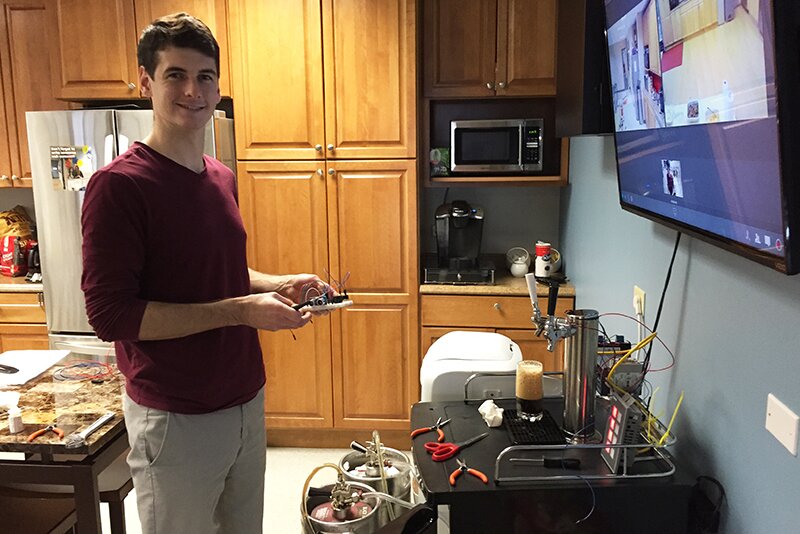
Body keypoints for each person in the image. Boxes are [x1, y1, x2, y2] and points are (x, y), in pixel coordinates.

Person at [81, 12, 325, 533]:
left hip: (244, 398)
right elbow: (110, 315)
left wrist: (278, 284)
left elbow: (222, 272)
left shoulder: (220, 176)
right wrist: (241, 310)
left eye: (205, 77)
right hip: (175, 416)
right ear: (147, 81)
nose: (193, 90)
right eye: (176, 75)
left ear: (218, 87)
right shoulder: (120, 187)